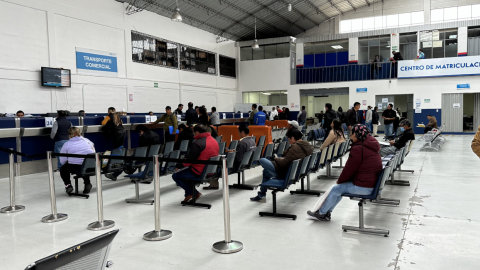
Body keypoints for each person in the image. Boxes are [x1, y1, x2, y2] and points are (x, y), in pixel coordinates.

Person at [307, 124, 382, 221]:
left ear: (356, 134)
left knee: (336, 189)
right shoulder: (370, 145)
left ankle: (322, 213)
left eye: (351, 133)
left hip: (365, 187)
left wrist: (340, 181)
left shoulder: (359, 148)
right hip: (372, 184)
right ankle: (327, 212)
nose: (350, 136)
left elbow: (349, 169)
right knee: (339, 189)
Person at [251, 128, 313, 202]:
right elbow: (290, 158)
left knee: (262, 160)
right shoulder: (307, 146)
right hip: (294, 172)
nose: (289, 142)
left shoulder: (295, 147)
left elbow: (284, 163)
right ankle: (261, 194)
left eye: (289, 139)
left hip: (285, 173)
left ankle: (261, 195)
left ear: (293, 138)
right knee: (265, 172)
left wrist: (277, 159)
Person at [172, 124, 219, 202]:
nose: (193, 134)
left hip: (199, 172)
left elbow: (189, 160)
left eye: (193, 132)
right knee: (185, 171)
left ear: (197, 132)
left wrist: (179, 166)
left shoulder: (197, 144)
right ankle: (189, 194)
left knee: (176, 175)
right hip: (211, 171)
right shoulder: (214, 140)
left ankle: (195, 193)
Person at [205, 125, 256, 190]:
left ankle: (213, 183)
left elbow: (238, 159)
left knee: (218, 163)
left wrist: (231, 155)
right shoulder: (252, 141)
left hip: (238, 165)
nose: (238, 134)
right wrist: (236, 151)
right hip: (247, 163)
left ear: (243, 132)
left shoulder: (242, 143)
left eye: (239, 132)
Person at [59, 127, 96, 195]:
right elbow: (93, 151)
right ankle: (87, 183)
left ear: (69, 135)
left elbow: (62, 160)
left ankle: (68, 185)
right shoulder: (87, 141)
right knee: (84, 164)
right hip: (91, 165)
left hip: (76, 166)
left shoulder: (67, 144)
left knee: (63, 169)